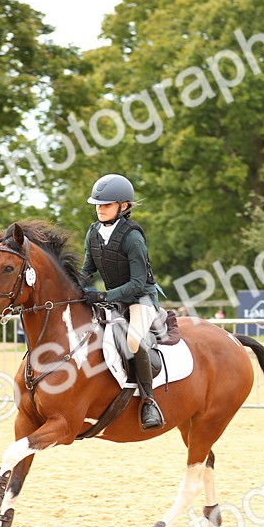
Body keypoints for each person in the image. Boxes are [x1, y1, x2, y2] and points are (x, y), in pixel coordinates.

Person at [79, 173, 164, 430]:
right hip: (116, 300)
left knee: (132, 340)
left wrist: (103, 296)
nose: (100, 208)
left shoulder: (133, 237)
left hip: (141, 299)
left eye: (105, 204)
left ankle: (149, 401)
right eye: (97, 204)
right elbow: (87, 269)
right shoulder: (93, 233)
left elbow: (138, 284)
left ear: (123, 206)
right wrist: (72, 286)